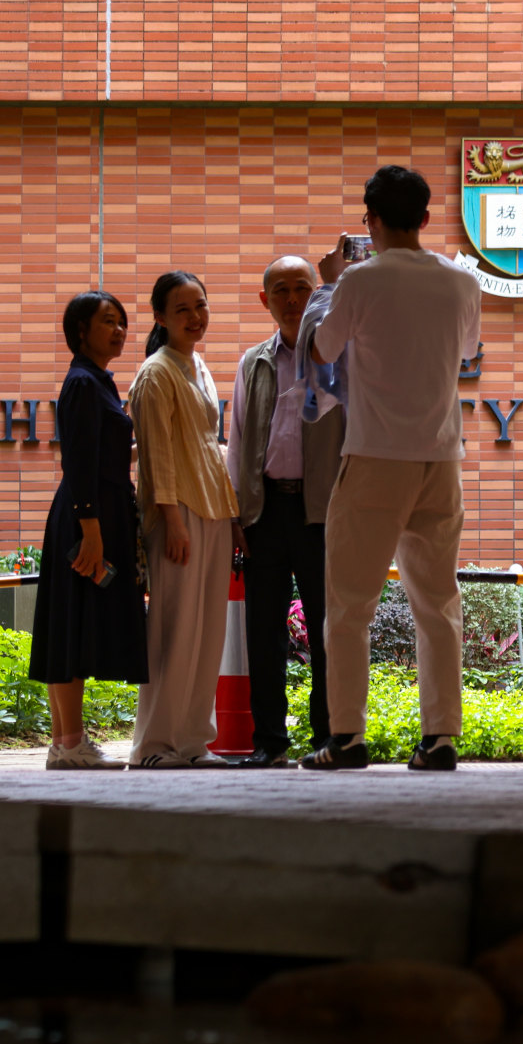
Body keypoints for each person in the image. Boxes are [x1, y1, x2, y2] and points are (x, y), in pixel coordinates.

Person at [303, 165, 482, 771]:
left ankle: (348, 737)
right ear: (427, 219)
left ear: (369, 221)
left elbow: (322, 350)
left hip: (376, 457)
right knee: (438, 602)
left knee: (349, 604)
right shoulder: (462, 284)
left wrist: (329, 285)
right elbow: (463, 352)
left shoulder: (357, 281)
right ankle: (440, 740)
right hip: (441, 458)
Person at [225, 255, 344, 768]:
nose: (292, 299)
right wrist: (236, 515)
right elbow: (237, 441)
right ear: (265, 300)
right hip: (264, 511)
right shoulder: (252, 362)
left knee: (327, 631)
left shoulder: (334, 357)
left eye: (301, 288)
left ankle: (327, 738)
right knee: (263, 635)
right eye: (281, 291)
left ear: (315, 292)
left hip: (323, 513)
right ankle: (269, 742)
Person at [29, 290, 147, 769]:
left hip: (95, 512)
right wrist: (91, 532)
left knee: (70, 625)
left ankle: (64, 744)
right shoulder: (82, 382)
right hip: (86, 517)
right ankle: (72, 741)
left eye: (122, 321)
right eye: (107, 322)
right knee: (72, 628)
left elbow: (104, 452)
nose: (118, 330)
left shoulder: (99, 381)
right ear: (81, 331)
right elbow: (78, 461)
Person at [129, 270, 242, 768]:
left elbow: (210, 449)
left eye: (201, 305)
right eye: (182, 310)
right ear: (159, 317)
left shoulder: (198, 365)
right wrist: (170, 521)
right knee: (173, 630)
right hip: (178, 517)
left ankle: (194, 742)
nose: (195, 317)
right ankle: (155, 745)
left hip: (213, 511)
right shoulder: (156, 374)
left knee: (207, 631)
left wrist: (232, 515)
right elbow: (156, 457)